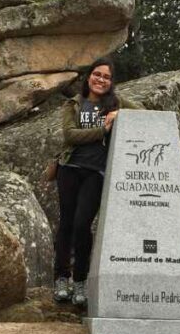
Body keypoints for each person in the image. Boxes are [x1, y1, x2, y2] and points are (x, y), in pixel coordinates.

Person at [53, 56, 143, 307]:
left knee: (83, 225)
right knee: (67, 223)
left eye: (106, 77)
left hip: (97, 173)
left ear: (111, 82)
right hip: (69, 168)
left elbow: (144, 113)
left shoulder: (115, 102)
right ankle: (62, 278)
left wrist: (119, 113)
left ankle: (81, 281)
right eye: (97, 74)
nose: (101, 80)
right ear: (88, 77)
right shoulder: (74, 103)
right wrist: (103, 130)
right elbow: (70, 135)